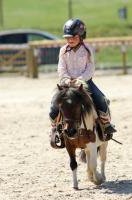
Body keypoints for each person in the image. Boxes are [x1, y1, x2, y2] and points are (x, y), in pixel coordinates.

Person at [49, 18, 116, 147]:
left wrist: (80, 79)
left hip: (84, 82)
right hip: (66, 83)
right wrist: (66, 79)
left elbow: (90, 68)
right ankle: (54, 128)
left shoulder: (87, 50)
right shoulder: (63, 50)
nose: (70, 39)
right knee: (54, 103)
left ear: (81, 36)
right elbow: (61, 68)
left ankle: (106, 124)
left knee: (100, 99)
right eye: (67, 37)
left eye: (73, 36)